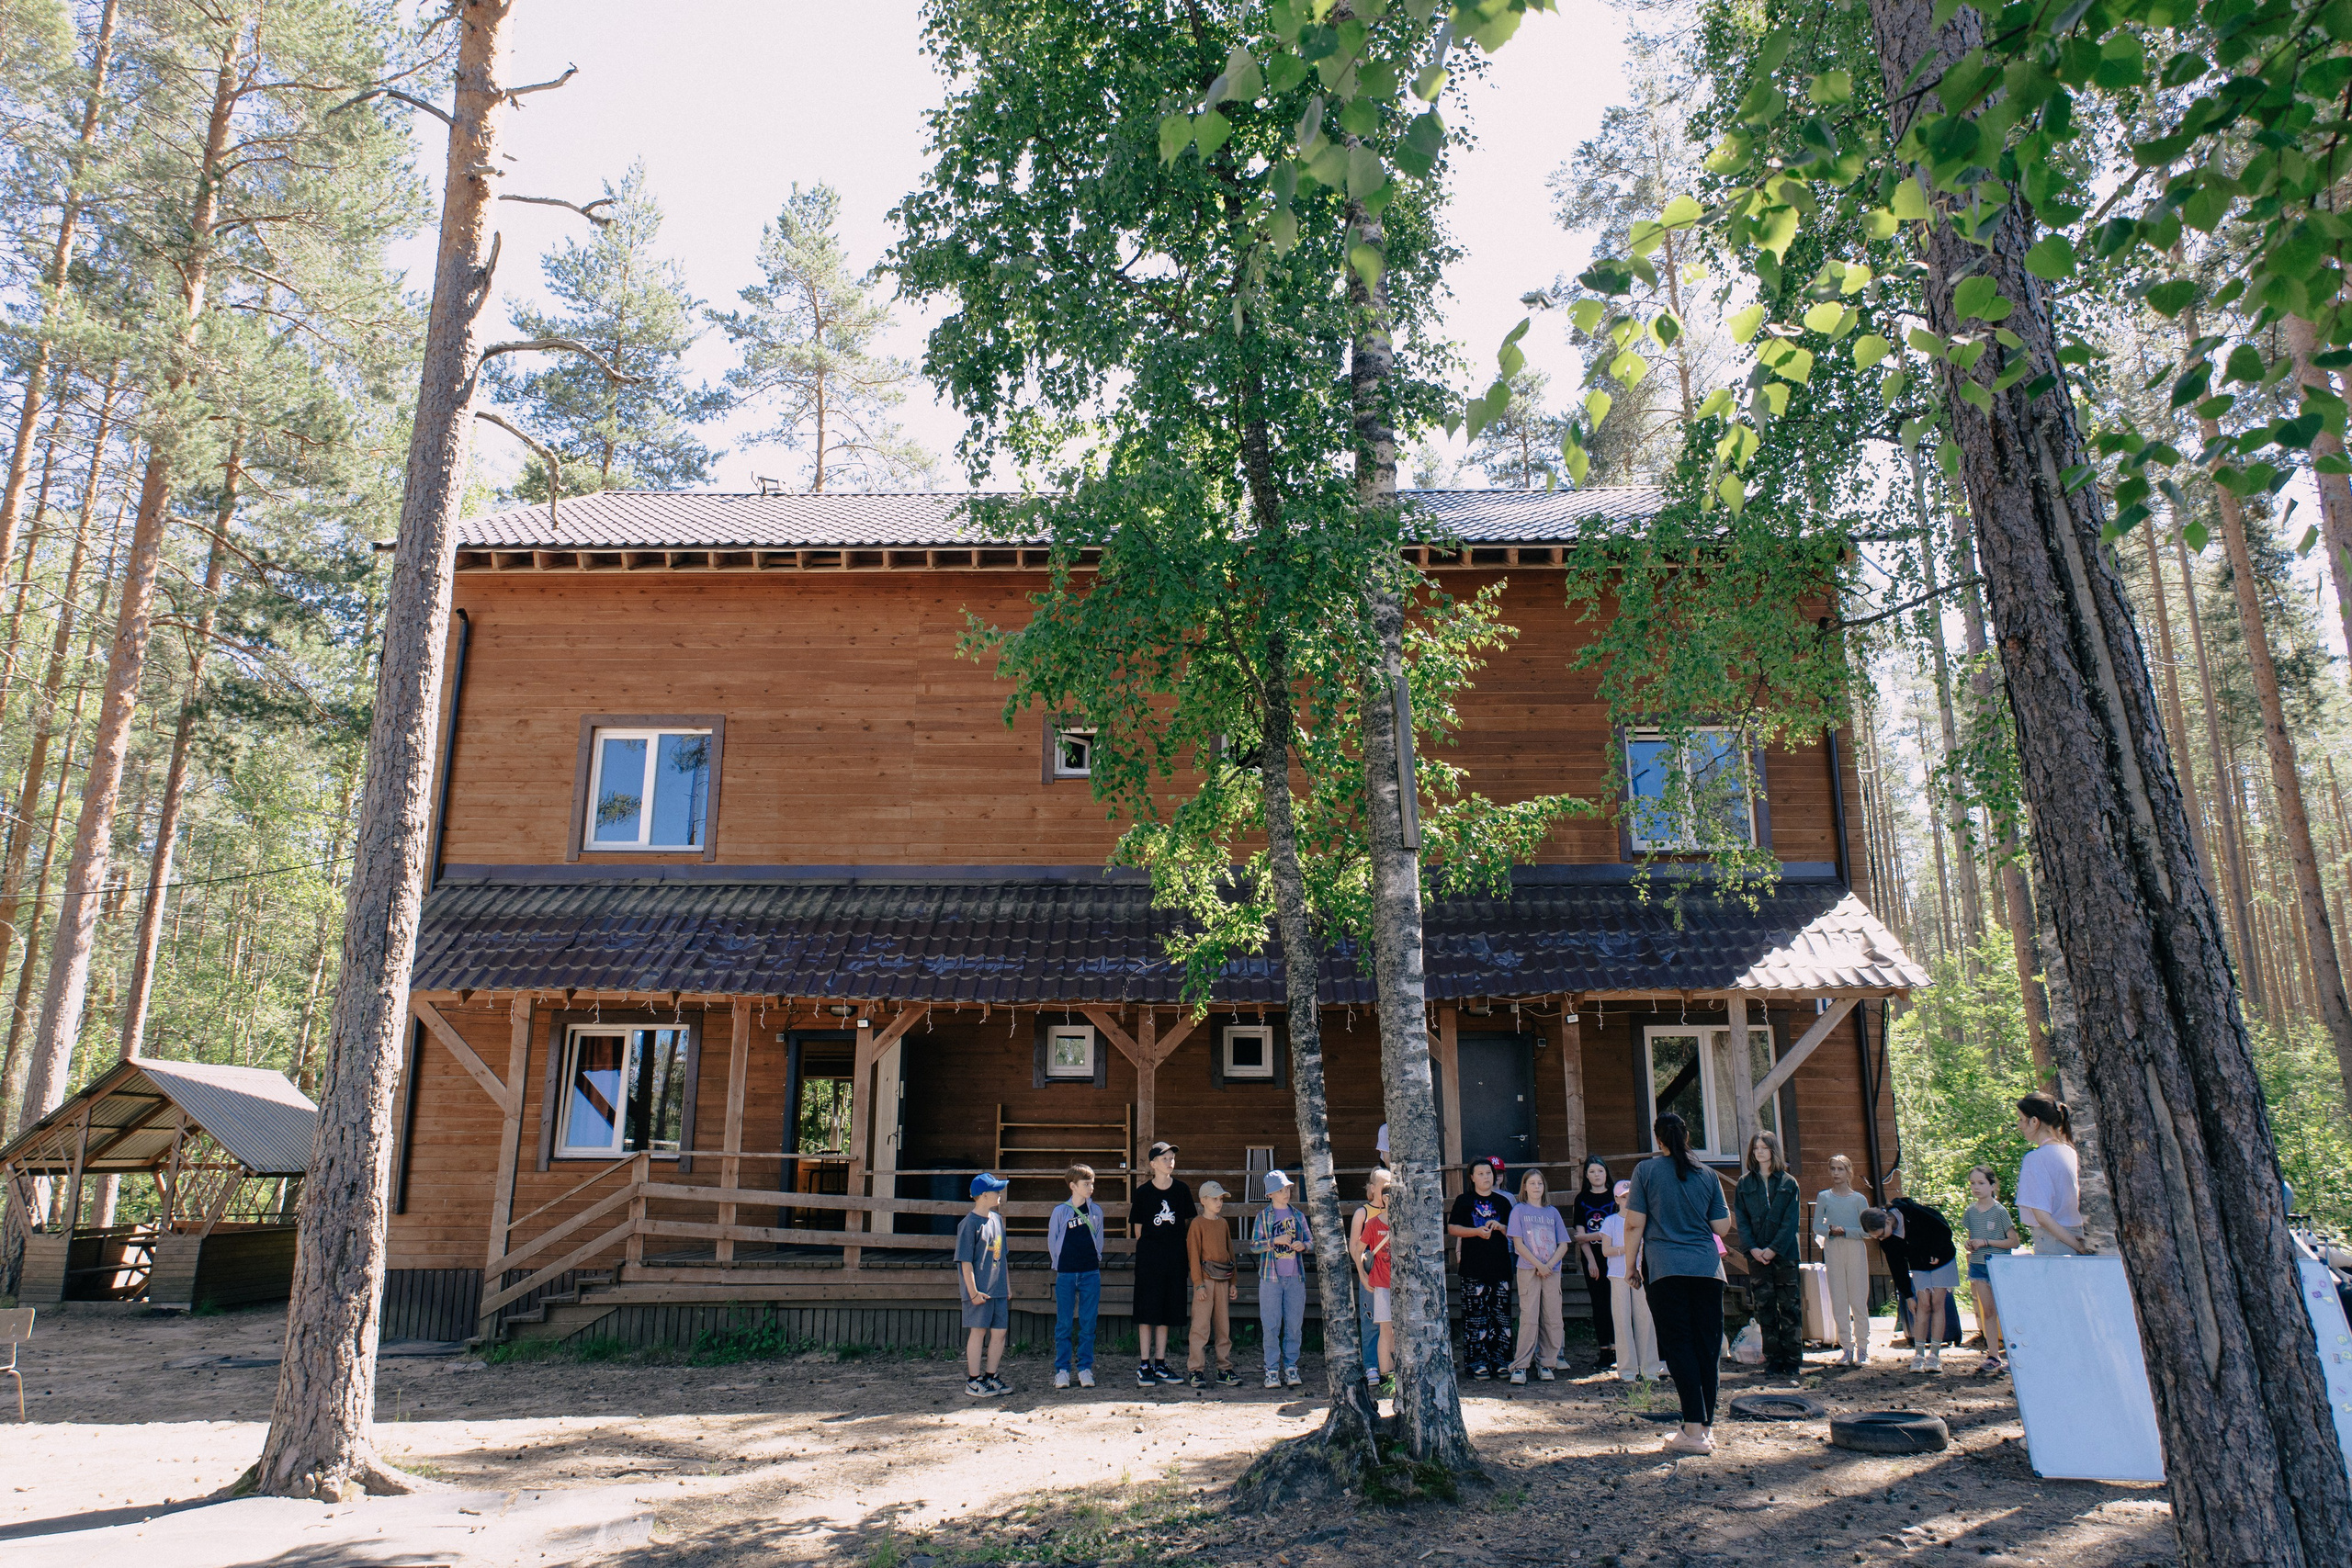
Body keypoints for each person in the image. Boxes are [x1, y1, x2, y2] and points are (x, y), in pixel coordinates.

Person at [1624, 1111, 1734, 1455]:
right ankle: (1704, 1427)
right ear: (1687, 1137)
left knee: (1679, 1346)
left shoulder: (1646, 1171)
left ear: (1658, 1139)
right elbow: (1722, 1226)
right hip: (1707, 1269)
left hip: (1665, 1269)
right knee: (1707, 1346)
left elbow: (1633, 1226)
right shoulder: (1708, 1174)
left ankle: (1692, 1431)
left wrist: (1630, 1265)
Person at [1733, 1131, 1804, 1379]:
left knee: (1789, 1307)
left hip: (1784, 1254)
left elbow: (1790, 1221)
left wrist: (1773, 1249)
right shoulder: (1744, 1183)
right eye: (1756, 1148)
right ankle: (1773, 1360)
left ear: (1774, 1150)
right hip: (1756, 1256)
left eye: (1764, 1147)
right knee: (1765, 1308)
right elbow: (1741, 1220)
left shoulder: (1788, 1182)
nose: (1760, 1152)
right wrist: (1752, 1248)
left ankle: (1793, 1360)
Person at [1863, 1192, 1958, 1373]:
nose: (1881, 1240)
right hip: (1919, 1265)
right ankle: (1919, 1355)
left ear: (1888, 1222)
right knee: (1923, 1305)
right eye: (1876, 1238)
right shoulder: (1887, 1241)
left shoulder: (1913, 1212)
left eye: (1881, 1234)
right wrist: (1907, 1294)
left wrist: (1936, 1253)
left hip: (1943, 1258)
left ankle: (1934, 1356)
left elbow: (1943, 1228)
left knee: (1937, 1303)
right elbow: (1897, 1267)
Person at [1129, 1140, 1196, 1387]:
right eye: (1165, 1158)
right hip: (1149, 1260)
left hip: (1175, 1259)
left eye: (1172, 1158)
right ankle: (1144, 1364)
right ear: (1153, 1164)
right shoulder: (1143, 1193)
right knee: (1147, 1310)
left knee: (1167, 1311)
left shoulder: (1181, 1190)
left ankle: (1160, 1363)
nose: (1170, 1162)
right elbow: (1138, 1230)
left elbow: (1189, 1223)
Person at [1447, 1156, 1516, 1381]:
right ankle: (1477, 1364)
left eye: (1489, 1173)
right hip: (1473, 1267)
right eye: (1481, 1174)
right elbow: (1453, 1228)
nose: (1486, 1177)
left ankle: (1502, 1362)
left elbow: (1515, 1231)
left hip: (1500, 1266)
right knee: (1475, 1317)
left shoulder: (1504, 1202)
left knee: (1501, 1316)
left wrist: (1500, 1226)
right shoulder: (1464, 1201)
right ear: (1472, 1177)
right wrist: (1476, 1231)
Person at [1506, 1168, 1570, 1384]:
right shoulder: (1519, 1211)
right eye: (1532, 1183)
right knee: (1529, 1318)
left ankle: (1546, 1363)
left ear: (1544, 1187)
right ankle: (1520, 1366)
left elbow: (1563, 1244)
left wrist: (1549, 1265)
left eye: (1539, 1184)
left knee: (1552, 1318)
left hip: (1552, 1271)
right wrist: (1538, 1265)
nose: (1536, 1187)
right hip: (1528, 1269)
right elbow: (1518, 1243)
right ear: (1524, 1186)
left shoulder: (1552, 1212)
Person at [1251, 1169, 1312, 1388]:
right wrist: (1274, 1240)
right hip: (1270, 1278)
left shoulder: (1298, 1215)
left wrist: (1303, 1245)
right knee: (1271, 1325)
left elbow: (1310, 1241)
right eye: (1280, 1190)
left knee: (1295, 1325)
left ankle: (1291, 1366)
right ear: (1270, 1194)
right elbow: (1254, 1245)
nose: (1285, 1193)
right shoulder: (1263, 1217)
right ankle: (1271, 1370)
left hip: (1295, 1277)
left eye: (1286, 1188)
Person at [1046, 1164, 1105, 1390]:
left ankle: (1085, 1368)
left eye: (1092, 1183)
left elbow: (1099, 1237)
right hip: (1067, 1273)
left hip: (1090, 1272)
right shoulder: (1061, 1212)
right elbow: (1053, 1240)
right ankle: (1062, 1370)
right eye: (1086, 1184)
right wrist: (1059, 1263)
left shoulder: (1096, 1211)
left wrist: (1095, 1258)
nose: (1091, 1187)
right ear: (1073, 1186)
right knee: (1063, 1323)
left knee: (1088, 1323)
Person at [1812, 1153, 1873, 1365]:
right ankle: (1846, 1348)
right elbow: (1817, 1226)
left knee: (1857, 1299)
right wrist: (1830, 1231)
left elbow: (1867, 1230)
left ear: (1849, 1172)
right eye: (1833, 1169)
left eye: (1840, 1169)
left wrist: (1845, 1230)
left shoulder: (1858, 1199)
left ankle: (1862, 1348)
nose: (1836, 1173)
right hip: (1833, 1249)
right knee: (1838, 1300)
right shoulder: (1824, 1197)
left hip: (1854, 1249)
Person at [1600, 1179, 1663, 1382]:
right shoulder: (1610, 1222)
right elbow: (1606, 1250)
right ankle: (1627, 1369)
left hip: (1641, 1274)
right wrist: (1627, 1249)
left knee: (1646, 1319)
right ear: (1617, 1199)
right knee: (1622, 1320)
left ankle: (1650, 1368)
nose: (1628, 1201)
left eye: (1631, 1197)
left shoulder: (1643, 1220)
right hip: (1618, 1275)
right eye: (1624, 1197)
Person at [2014, 1093, 2092, 1255]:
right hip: (2083, 1235)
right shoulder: (2072, 1153)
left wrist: (2078, 1248)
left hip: (2054, 1242)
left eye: (2021, 1120)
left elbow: (2042, 1217)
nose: (2019, 1126)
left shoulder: (2034, 1159)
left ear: (2034, 1121)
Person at [1962, 1164, 2020, 1375]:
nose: (1976, 1188)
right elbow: (1971, 1237)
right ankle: (1993, 1355)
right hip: (1978, 1266)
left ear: (1992, 1185)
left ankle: (2014, 1354)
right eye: (1972, 1184)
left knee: (2005, 1311)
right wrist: (1971, 1244)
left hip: (1999, 1266)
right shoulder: (1970, 1212)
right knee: (1988, 1311)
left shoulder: (2000, 1211)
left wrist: (1986, 1242)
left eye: (1981, 1183)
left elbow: (2014, 1241)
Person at [958, 1172, 1012, 1397]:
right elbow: (965, 1262)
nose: (1000, 1194)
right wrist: (973, 1293)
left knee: (999, 1333)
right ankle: (973, 1380)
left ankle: (991, 1377)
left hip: (998, 1289)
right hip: (978, 1291)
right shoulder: (968, 1224)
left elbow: (1002, 1257)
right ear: (982, 1195)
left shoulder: (997, 1220)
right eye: (996, 1190)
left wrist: (1007, 1286)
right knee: (978, 1332)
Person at [1186, 1179, 1241, 1391]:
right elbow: (1193, 1256)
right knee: (1200, 1326)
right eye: (1215, 1199)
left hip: (1223, 1281)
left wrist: (1233, 1282)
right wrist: (1198, 1284)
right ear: (1203, 1201)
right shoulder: (1197, 1224)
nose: (1219, 1203)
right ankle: (1196, 1369)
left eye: (1221, 1199)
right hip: (1205, 1281)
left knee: (1223, 1326)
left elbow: (1230, 1253)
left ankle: (1224, 1368)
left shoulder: (1223, 1223)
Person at [1568, 1157, 1619, 1370]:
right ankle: (1604, 1351)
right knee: (1599, 1304)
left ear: (1606, 1173)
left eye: (1600, 1170)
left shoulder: (1615, 1196)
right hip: (1594, 1258)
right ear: (1586, 1176)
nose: (1597, 1175)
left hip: (1616, 1256)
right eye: (1592, 1171)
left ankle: (1619, 1349)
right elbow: (1579, 1235)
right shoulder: (1582, 1199)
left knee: (1616, 1303)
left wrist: (1592, 1235)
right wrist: (1590, 1260)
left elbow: (1618, 1229)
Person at [1349, 1168, 1391, 1388]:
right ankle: (1372, 1365)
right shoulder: (1363, 1213)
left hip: (1390, 1276)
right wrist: (1362, 1275)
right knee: (1371, 1320)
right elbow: (1355, 1247)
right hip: (1371, 1274)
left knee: (1389, 1324)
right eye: (1384, 1186)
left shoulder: (1397, 1211)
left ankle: (1389, 1367)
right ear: (1373, 1188)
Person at [1359, 1169, 1397, 1394]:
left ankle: (1399, 1372)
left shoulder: (1405, 1222)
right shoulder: (1373, 1224)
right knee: (1385, 1329)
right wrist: (1364, 1275)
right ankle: (1387, 1376)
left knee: (1399, 1331)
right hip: (1382, 1283)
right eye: (1389, 1195)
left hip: (1403, 1286)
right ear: (1383, 1197)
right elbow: (1358, 1249)